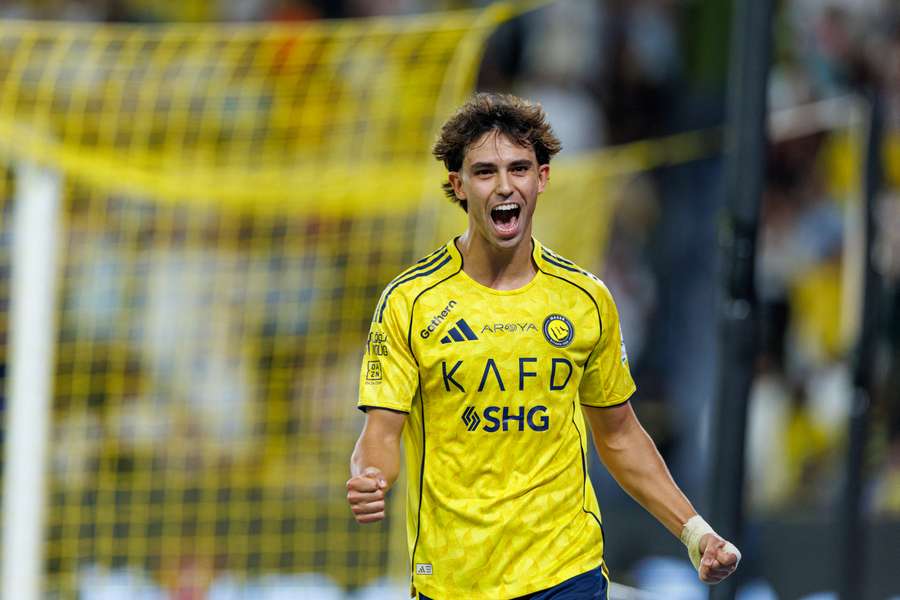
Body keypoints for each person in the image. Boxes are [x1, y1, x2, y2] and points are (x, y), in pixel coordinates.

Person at [346, 93, 740, 599]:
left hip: (564, 571)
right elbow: (380, 431)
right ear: (458, 185)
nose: (505, 185)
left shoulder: (585, 300)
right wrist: (371, 477)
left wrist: (695, 533)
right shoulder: (410, 302)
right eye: (485, 171)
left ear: (542, 179)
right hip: (455, 580)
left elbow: (619, 435)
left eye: (519, 168)